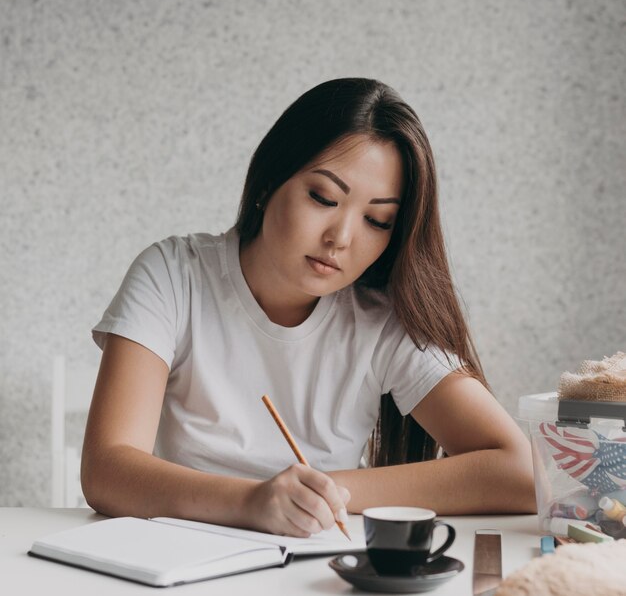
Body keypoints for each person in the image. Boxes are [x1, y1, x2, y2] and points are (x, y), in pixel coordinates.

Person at [82, 77, 535, 538]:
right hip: (180, 554)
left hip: (316, 564)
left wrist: (321, 494)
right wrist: (252, 502)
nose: (340, 238)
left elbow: (520, 472)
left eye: (377, 221)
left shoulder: (381, 318)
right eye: (323, 197)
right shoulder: (174, 274)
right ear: (268, 182)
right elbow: (107, 470)